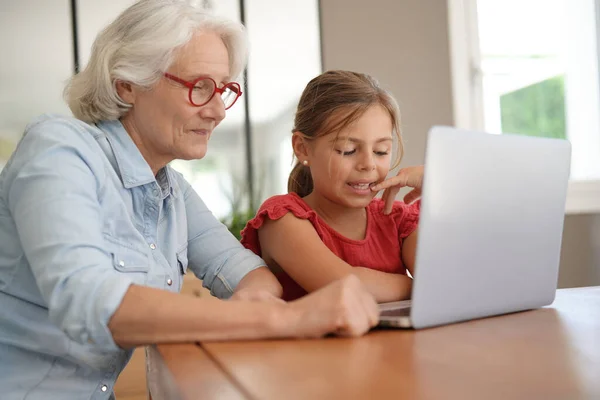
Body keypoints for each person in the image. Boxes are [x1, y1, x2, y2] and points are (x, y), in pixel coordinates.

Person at [0, 1, 379, 398]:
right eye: (200, 88)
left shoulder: (172, 190)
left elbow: (248, 272)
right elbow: (90, 302)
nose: (218, 111)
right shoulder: (59, 151)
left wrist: (253, 302)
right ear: (125, 83)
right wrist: (281, 319)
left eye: (224, 89)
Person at [241, 70, 424, 302]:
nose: (368, 164)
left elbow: (449, 281)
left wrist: (439, 188)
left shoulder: (398, 220)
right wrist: (418, 287)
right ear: (302, 148)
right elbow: (345, 286)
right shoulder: (283, 219)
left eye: (381, 151)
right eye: (347, 150)